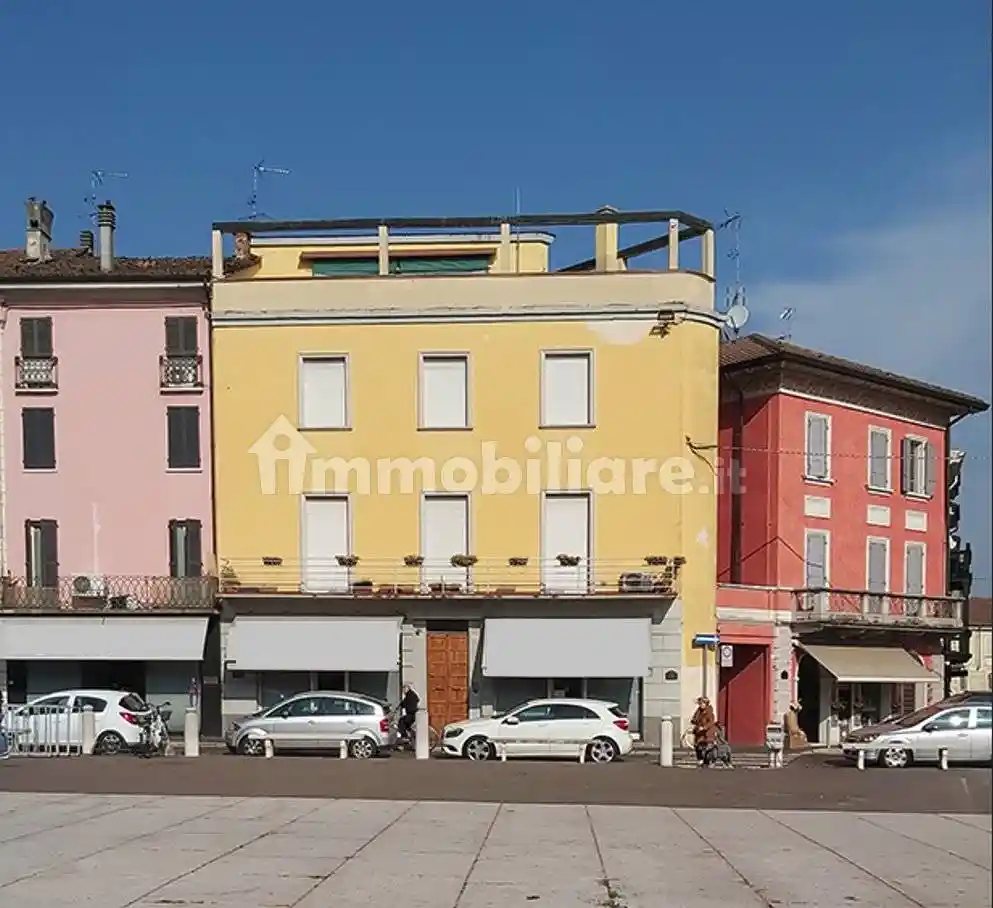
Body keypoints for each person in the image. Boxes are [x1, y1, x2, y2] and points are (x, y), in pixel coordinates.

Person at [691, 696, 718, 766]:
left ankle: (709, 760)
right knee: (697, 746)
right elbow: (695, 718)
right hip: (699, 733)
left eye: (702, 703)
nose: (700, 705)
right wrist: (693, 721)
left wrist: (704, 727)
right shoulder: (698, 711)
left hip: (707, 733)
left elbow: (711, 722)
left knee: (708, 747)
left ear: (706, 704)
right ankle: (700, 759)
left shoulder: (709, 712)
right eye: (700, 703)